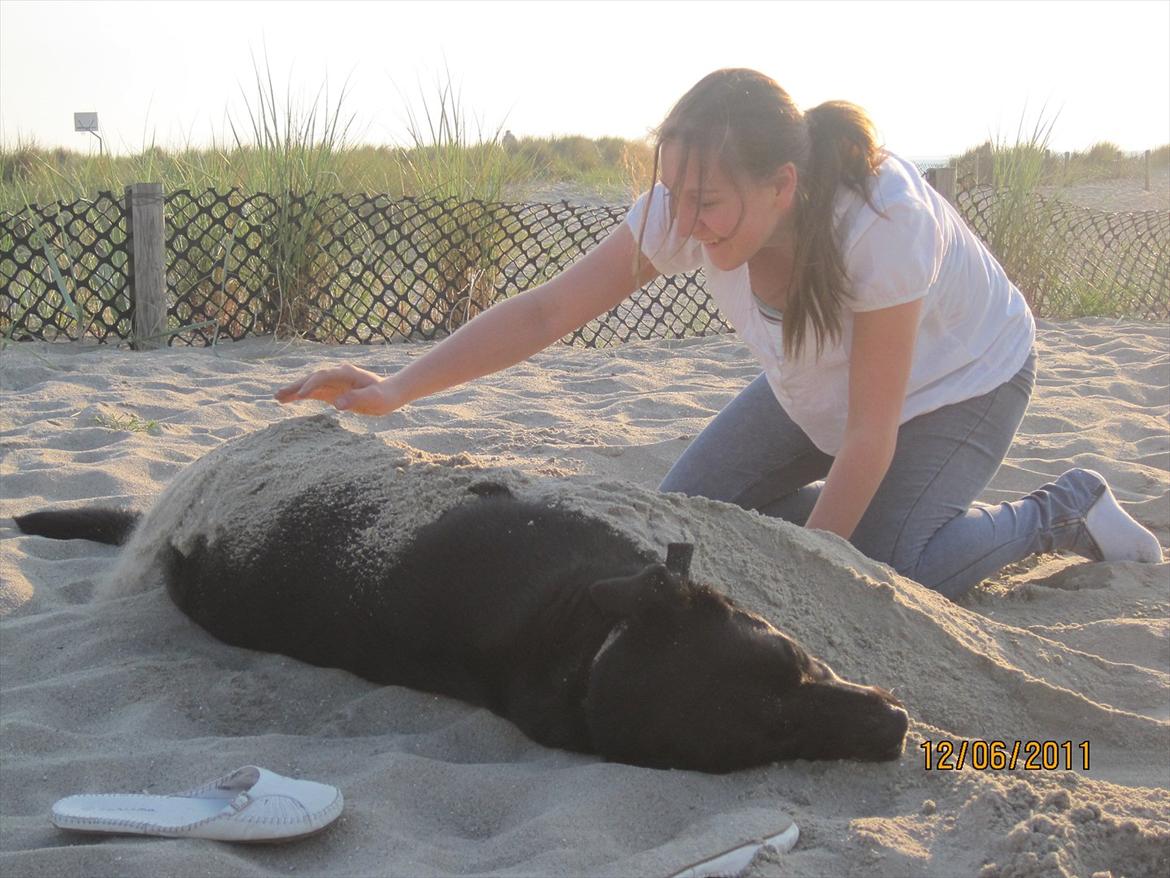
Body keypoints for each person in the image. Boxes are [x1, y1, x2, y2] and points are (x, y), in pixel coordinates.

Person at [275, 68, 1162, 599]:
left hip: (960, 383)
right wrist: (394, 388)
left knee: (891, 567)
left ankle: (1064, 509)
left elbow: (869, 432)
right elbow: (547, 311)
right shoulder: (682, 206)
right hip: (811, 387)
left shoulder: (880, 226)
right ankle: (894, 520)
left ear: (783, 185)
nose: (687, 223)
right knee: (684, 521)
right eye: (676, 196)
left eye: (709, 203)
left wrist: (819, 574)